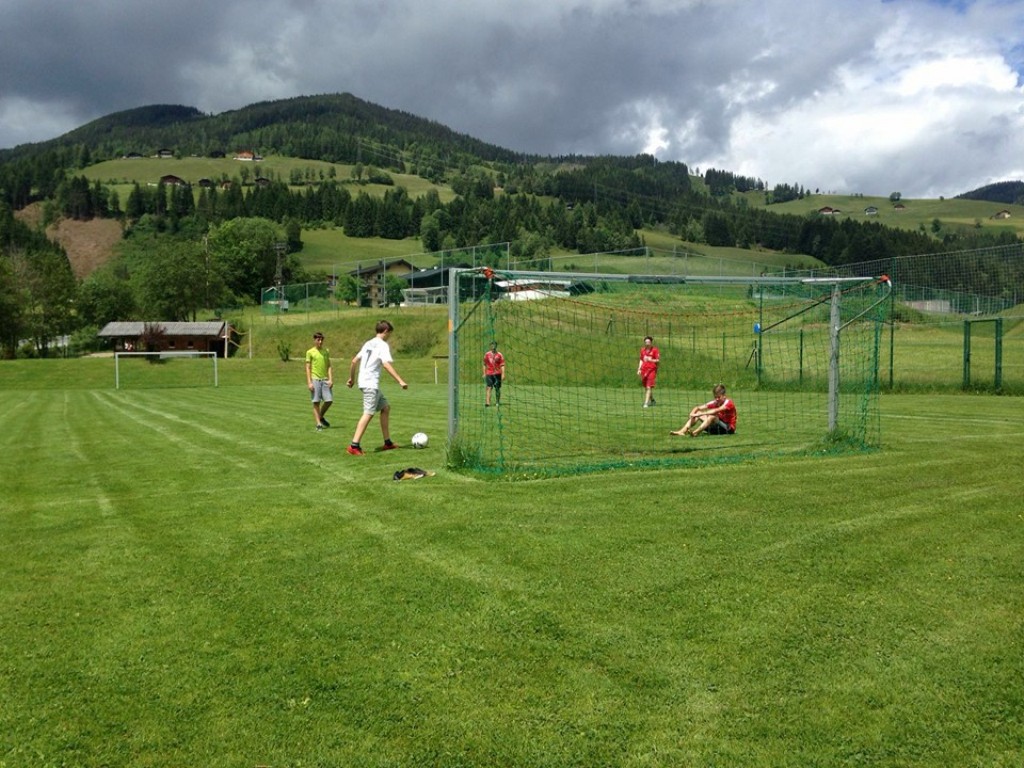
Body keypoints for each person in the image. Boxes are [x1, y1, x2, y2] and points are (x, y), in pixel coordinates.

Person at [345, 320, 408, 455]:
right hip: (370, 384)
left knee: (385, 408)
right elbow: (386, 364)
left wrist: (352, 379)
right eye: (389, 333)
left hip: (365, 382)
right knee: (368, 413)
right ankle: (354, 446)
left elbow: (354, 361)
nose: (389, 336)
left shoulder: (368, 343)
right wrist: (400, 381)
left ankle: (387, 443)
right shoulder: (382, 345)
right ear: (385, 331)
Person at [670, 384, 737, 437]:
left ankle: (695, 433)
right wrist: (692, 413)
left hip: (729, 429)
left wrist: (699, 414)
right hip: (717, 428)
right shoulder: (715, 402)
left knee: (711, 416)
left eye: (718, 397)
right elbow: (697, 408)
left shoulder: (729, 403)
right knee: (698, 412)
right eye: (715, 397)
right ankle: (682, 431)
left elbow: (716, 410)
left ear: (724, 396)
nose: (716, 399)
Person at [304, 331, 333, 431]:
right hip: (315, 379)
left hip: (325, 379)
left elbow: (329, 366)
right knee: (316, 402)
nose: (320, 342)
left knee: (329, 400)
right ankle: (318, 424)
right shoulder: (310, 352)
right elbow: (308, 367)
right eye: (318, 340)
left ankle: (320, 416)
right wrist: (309, 382)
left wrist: (330, 379)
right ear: (314, 340)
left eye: (321, 340)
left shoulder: (326, 351)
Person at [637, 336, 660, 408]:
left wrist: (651, 360)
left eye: (648, 342)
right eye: (646, 342)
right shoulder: (642, 350)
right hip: (644, 370)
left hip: (652, 370)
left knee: (648, 387)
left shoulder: (655, 350)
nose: (647, 343)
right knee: (646, 387)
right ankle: (652, 400)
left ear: (651, 343)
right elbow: (641, 360)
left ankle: (646, 403)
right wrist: (639, 369)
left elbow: (658, 360)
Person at [483, 341, 505, 406]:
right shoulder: (487, 354)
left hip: (497, 374)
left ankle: (497, 402)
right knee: (489, 387)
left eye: (494, 345)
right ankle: (487, 403)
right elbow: (484, 364)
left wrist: (503, 374)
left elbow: (502, 365)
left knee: (497, 388)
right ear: (490, 346)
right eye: (492, 345)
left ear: (496, 346)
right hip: (489, 374)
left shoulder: (500, 354)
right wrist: (484, 373)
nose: (493, 346)